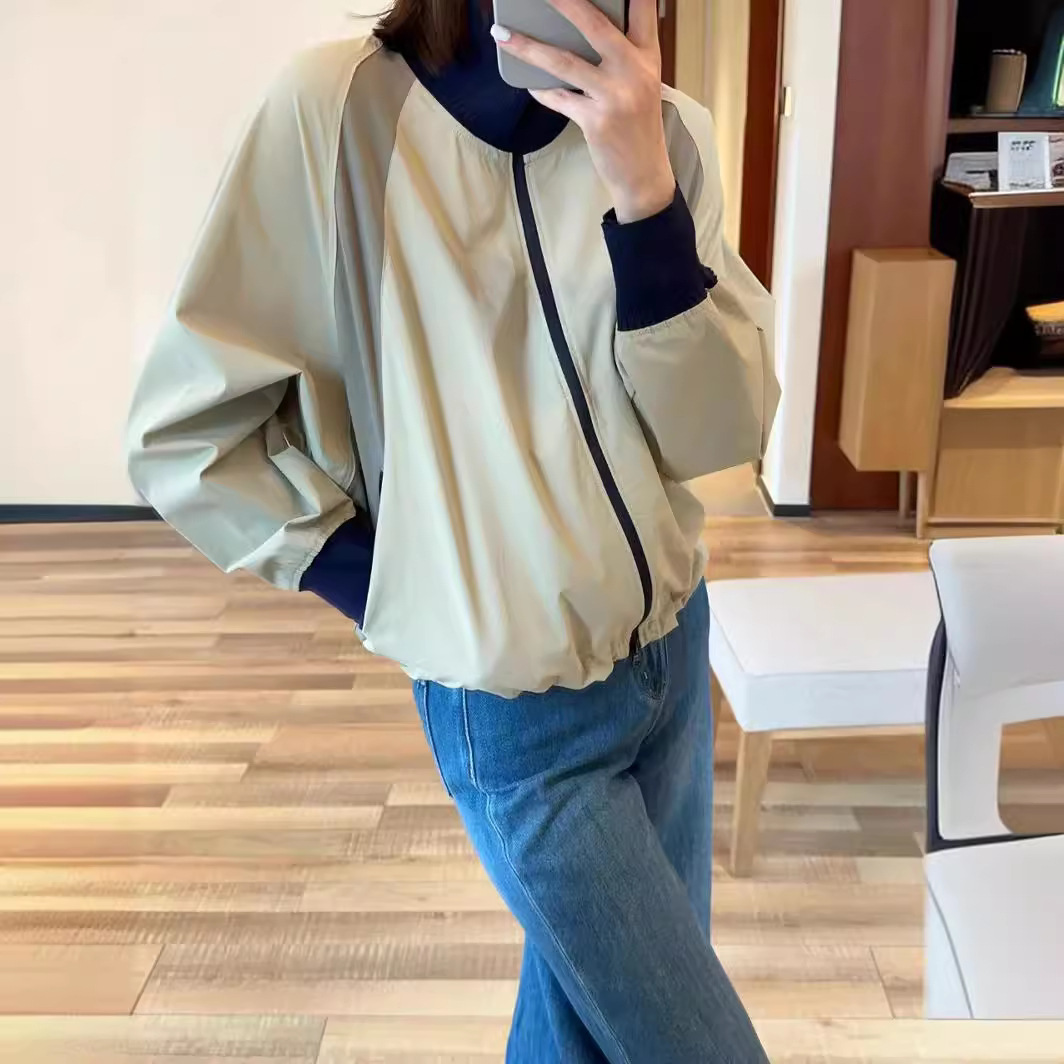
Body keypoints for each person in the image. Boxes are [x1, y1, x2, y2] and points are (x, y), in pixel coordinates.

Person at [127, 0, 778, 1059]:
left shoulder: (671, 134)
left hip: (671, 651)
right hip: (515, 713)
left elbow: (714, 433)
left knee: (579, 1033)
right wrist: (400, 589)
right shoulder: (337, 113)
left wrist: (645, 198)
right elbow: (184, 436)